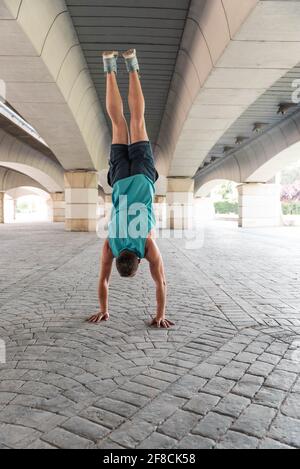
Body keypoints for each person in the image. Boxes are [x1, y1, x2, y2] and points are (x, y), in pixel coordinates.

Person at [87, 49, 174, 329]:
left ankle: (132, 63)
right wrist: (103, 309)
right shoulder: (109, 245)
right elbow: (102, 280)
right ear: (118, 261)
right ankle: (109, 65)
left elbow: (161, 282)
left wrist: (160, 315)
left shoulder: (148, 246)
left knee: (137, 119)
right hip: (121, 179)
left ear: (139, 261)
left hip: (144, 178)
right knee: (118, 122)